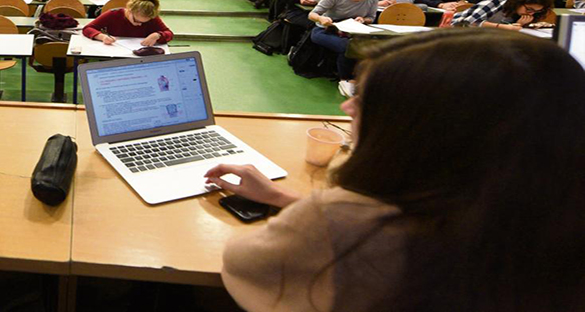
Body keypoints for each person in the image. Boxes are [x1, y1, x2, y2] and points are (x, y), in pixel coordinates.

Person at [212, 30, 585, 312]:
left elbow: (240, 264)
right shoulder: (543, 216)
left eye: (365, 97)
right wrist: (281, 196)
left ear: (419, 130)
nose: (348, 108)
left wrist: (318, 212)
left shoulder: (354, 219)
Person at [308, 0, 387, 95]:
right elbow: (312, 14)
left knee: (378, 45)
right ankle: (346, 79)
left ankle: (367, 77)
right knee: (348, 46)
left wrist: (363, 19)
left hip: (353, 31)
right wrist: (321, 19)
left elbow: (371, 18)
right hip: (325, 30)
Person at [83, 0, 173, 46]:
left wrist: (158, 35)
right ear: (129, 11)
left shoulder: (152, 17)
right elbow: (88, 28)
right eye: (137, 21)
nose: (140, 25)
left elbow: (169, 34)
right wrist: (102, 37)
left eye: (144, 22)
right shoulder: (113, 14)